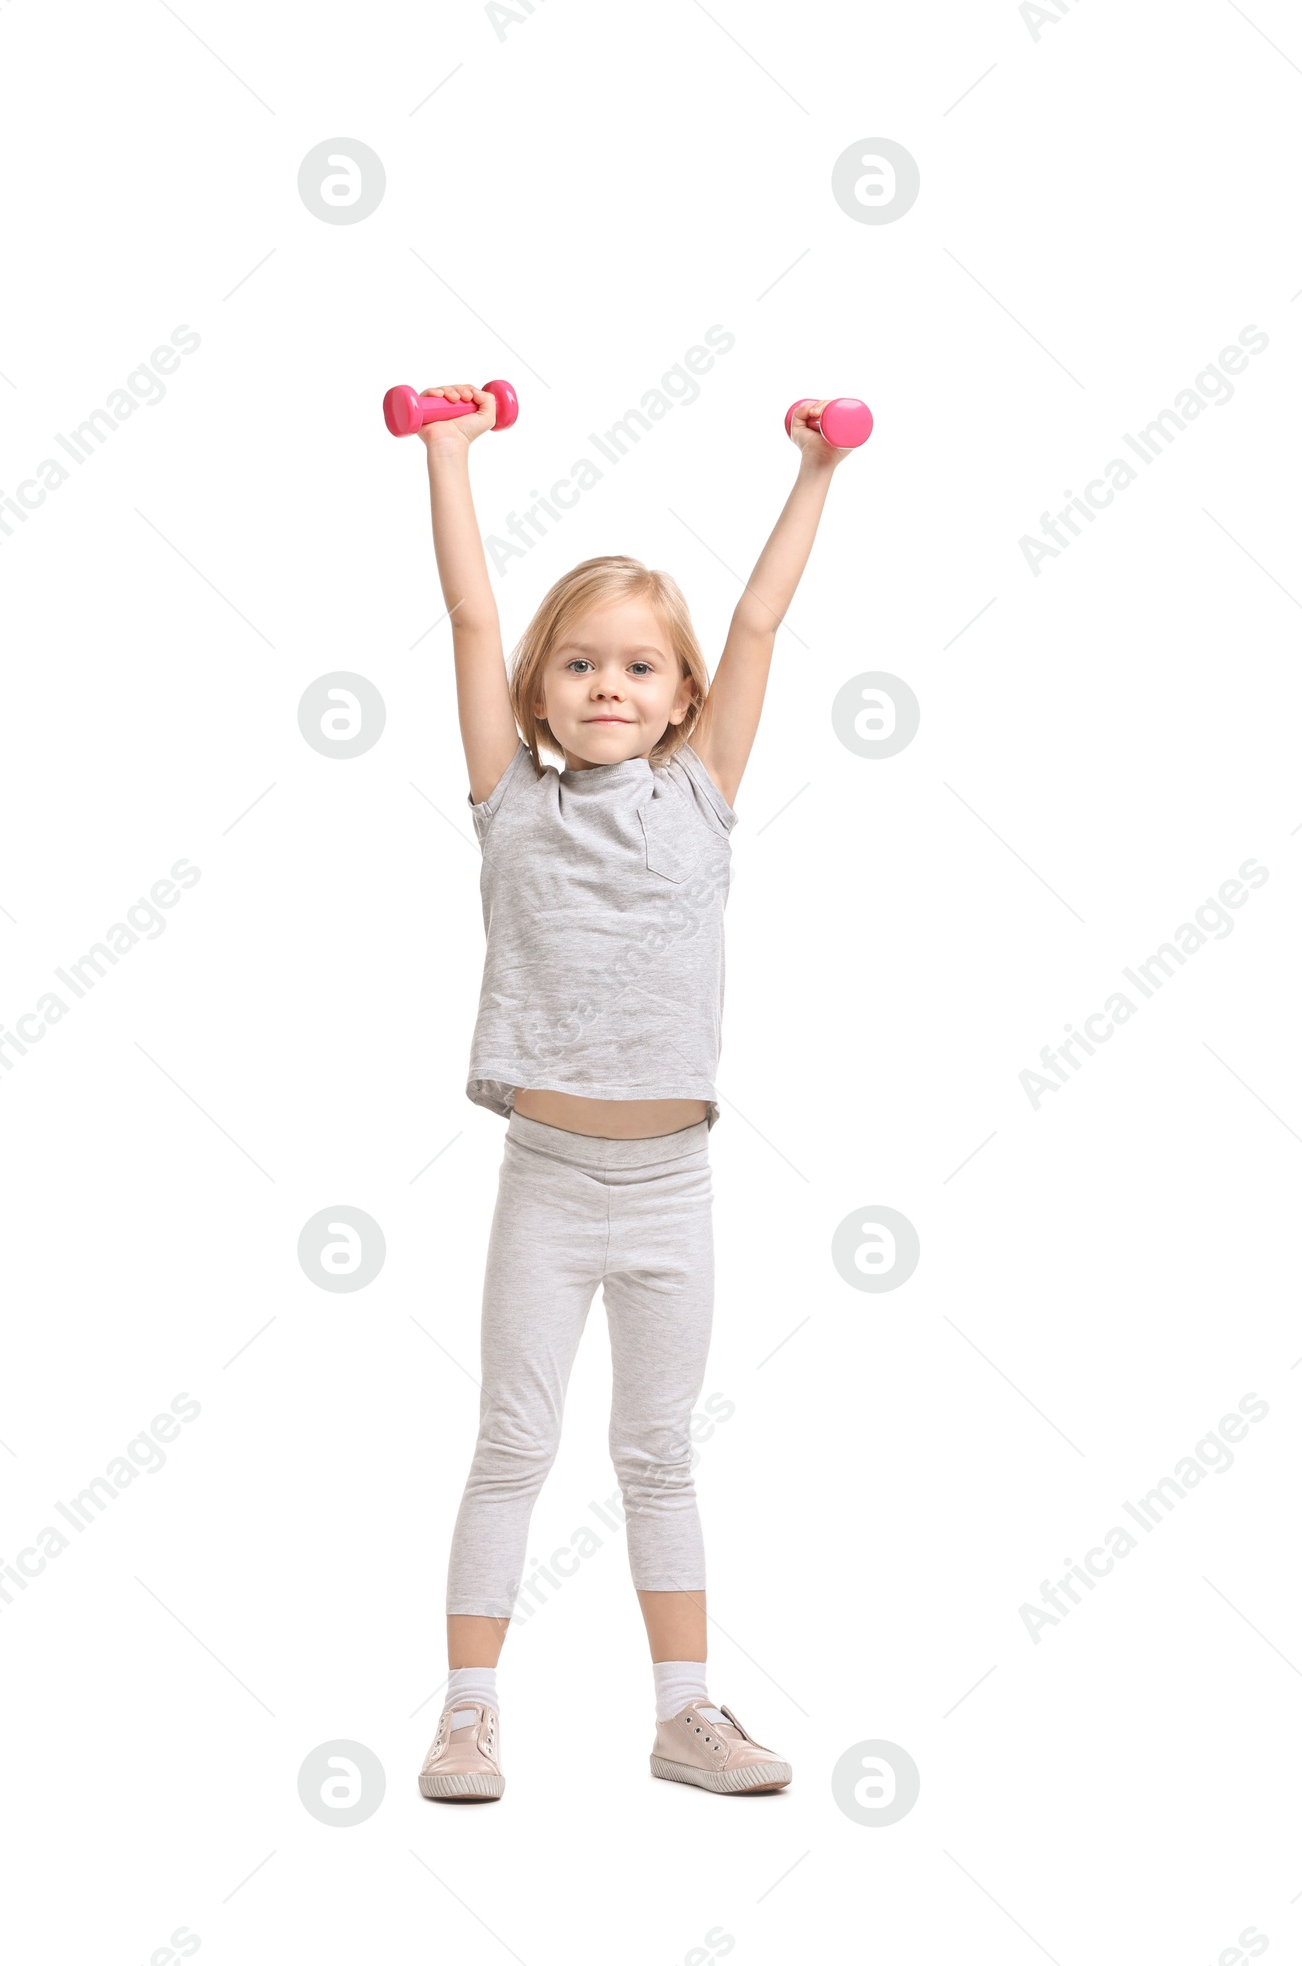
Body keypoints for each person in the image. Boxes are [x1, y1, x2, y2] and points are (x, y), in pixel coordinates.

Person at [409, 383, 859, 1800]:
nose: (610, 686)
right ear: (543, 689)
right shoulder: (509, 798)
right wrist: (448, 451)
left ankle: (686, 1713)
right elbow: (474, 619)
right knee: (514, 1443)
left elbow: (764, 622)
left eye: (642, 670)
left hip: (673, 1189)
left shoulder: (707, 793)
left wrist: (815, 474)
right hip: (546, 1183)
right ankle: (467, 1713)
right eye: (582, 666)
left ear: (682, 699)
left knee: (658, 1452)